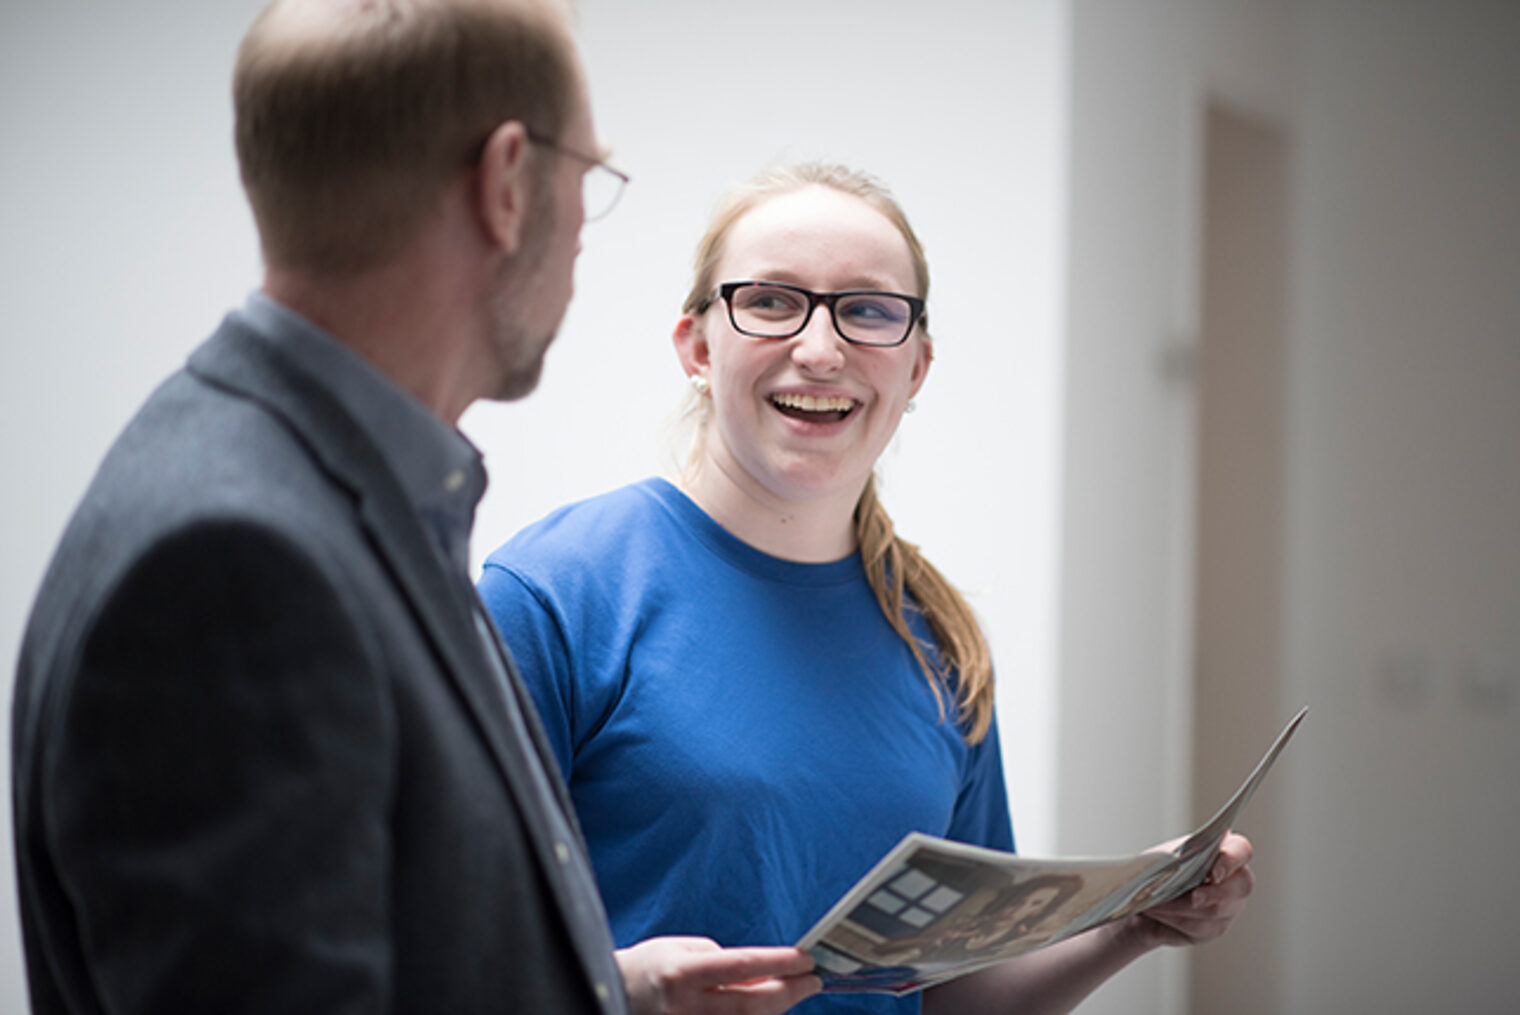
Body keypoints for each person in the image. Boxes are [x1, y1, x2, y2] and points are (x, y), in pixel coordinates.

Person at [9, 2, 816, 1013]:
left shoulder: (327, 489)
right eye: (587, 181)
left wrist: (606, 996)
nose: (580, 239)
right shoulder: (236, 565)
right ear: (507, 183)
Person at [477, 162, 1255, 1014]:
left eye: (869, 310)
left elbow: (947, 996)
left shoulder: (939, 639)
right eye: (771, 301)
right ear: (698, 347)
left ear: (916, 367)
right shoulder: (557, 593)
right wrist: (613, 990)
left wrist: (1132, 922)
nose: (820, 348)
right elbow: (435, 940)